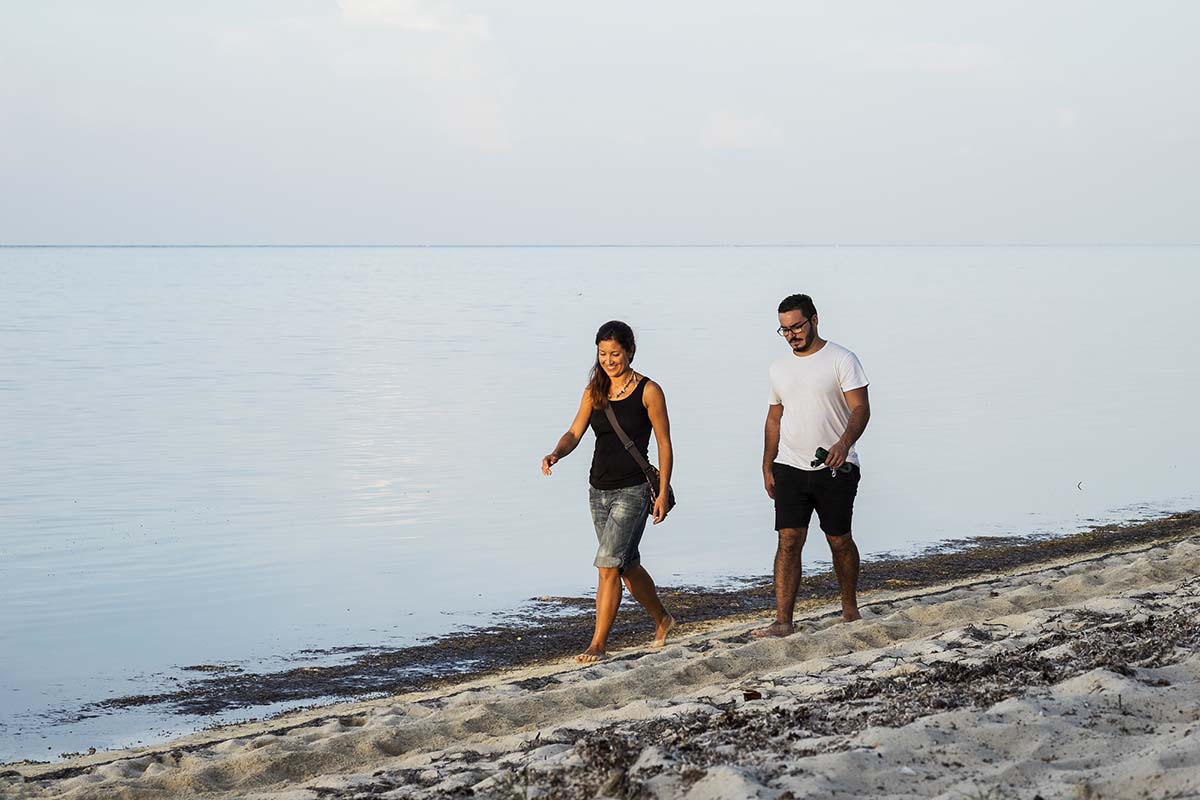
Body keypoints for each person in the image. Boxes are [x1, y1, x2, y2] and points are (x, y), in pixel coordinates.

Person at [541, 320, 676, 662]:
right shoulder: (594, 391)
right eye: (603, 354)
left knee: (607, 566)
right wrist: (556, 452)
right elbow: (574, 432)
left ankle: (597, 645)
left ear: (630, 351)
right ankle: (663, 619)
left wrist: (661, 492)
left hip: (632, 490)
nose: (609, 360)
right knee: (625, 565)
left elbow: (664, 444)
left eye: (615, 353)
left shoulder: (649, 391)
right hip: (598, 490)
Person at [755, 293, 871, 638]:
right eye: (784, 329)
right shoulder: (778, 368)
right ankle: (783, 622)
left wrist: (843, 444)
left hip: (837, 466)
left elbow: (861, 409)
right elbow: (774, 417)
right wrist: (767, 465)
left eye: (797, 326)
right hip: (790, 466)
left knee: (839, 540)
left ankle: (849, 609)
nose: (792, 334)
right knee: (788, 540)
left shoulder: (842, 359)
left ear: (814, 320)